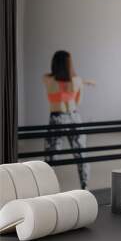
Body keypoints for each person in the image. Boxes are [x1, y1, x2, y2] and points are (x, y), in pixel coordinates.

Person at [43, 50, 95, 189]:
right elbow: (78, 101)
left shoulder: (47, 79)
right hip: (73, 117)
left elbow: (56, 80)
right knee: (81, 155)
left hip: (57, 118)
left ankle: (46, 188)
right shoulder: (76, 81)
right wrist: (82, 83)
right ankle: (85, 187)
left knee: (51, 156)